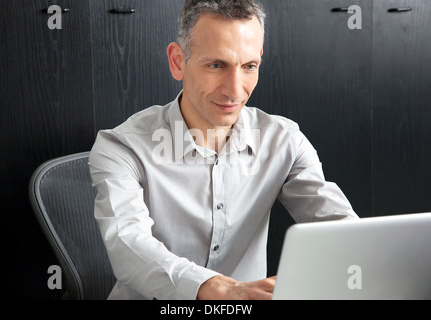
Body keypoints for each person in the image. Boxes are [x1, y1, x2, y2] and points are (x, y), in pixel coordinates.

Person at [89, 0, 359, 300]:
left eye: (249, 67)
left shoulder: (284, 140)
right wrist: (221, 289)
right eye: (216, 65)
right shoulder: (121, 147)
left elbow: (339, 229)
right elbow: (130, 248)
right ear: (178, 61)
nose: (234, 90)